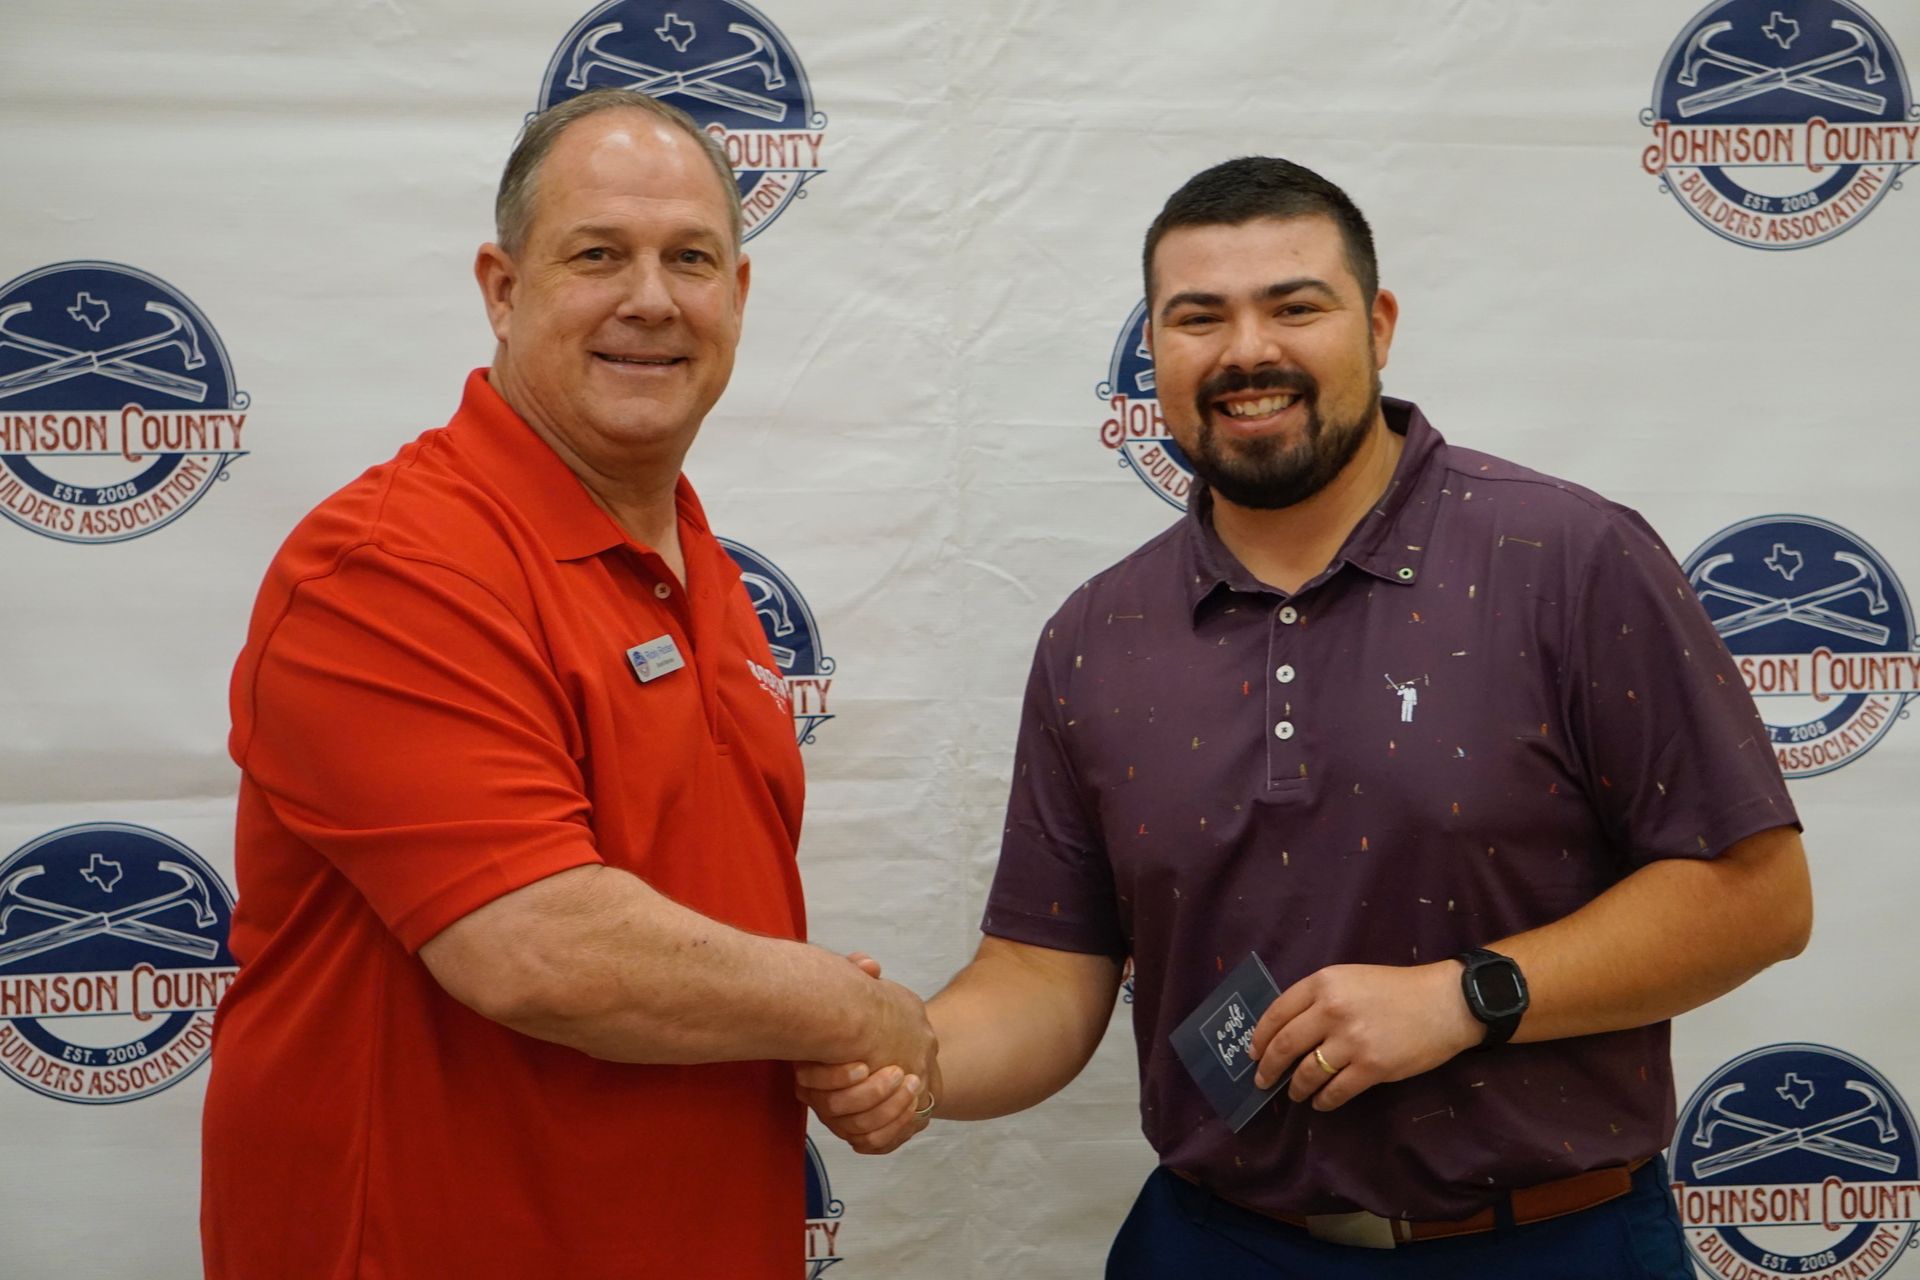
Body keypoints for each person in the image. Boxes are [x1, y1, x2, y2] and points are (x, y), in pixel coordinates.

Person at [800, 156, 1811, 1279]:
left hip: (1550, 1242)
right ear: (1157, 353)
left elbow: (1757, 895)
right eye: (1199, 317)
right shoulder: (1095, 635)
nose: (1247, 351)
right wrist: (913, 1050)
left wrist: (1471, 994)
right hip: (1213, 1243)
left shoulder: (1569, 558)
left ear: (1377, 324)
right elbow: (1046, 972)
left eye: (1294, 306)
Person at [200, 89, 934, 1280]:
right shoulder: (388, 562)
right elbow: (539, 944)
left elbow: (687, 920)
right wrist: (848, 1012)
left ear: (737, 299)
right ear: (502, 288)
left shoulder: (699, 571)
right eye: (599, 254)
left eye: (691, 258)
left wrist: (822, 1032)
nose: (651, 298)